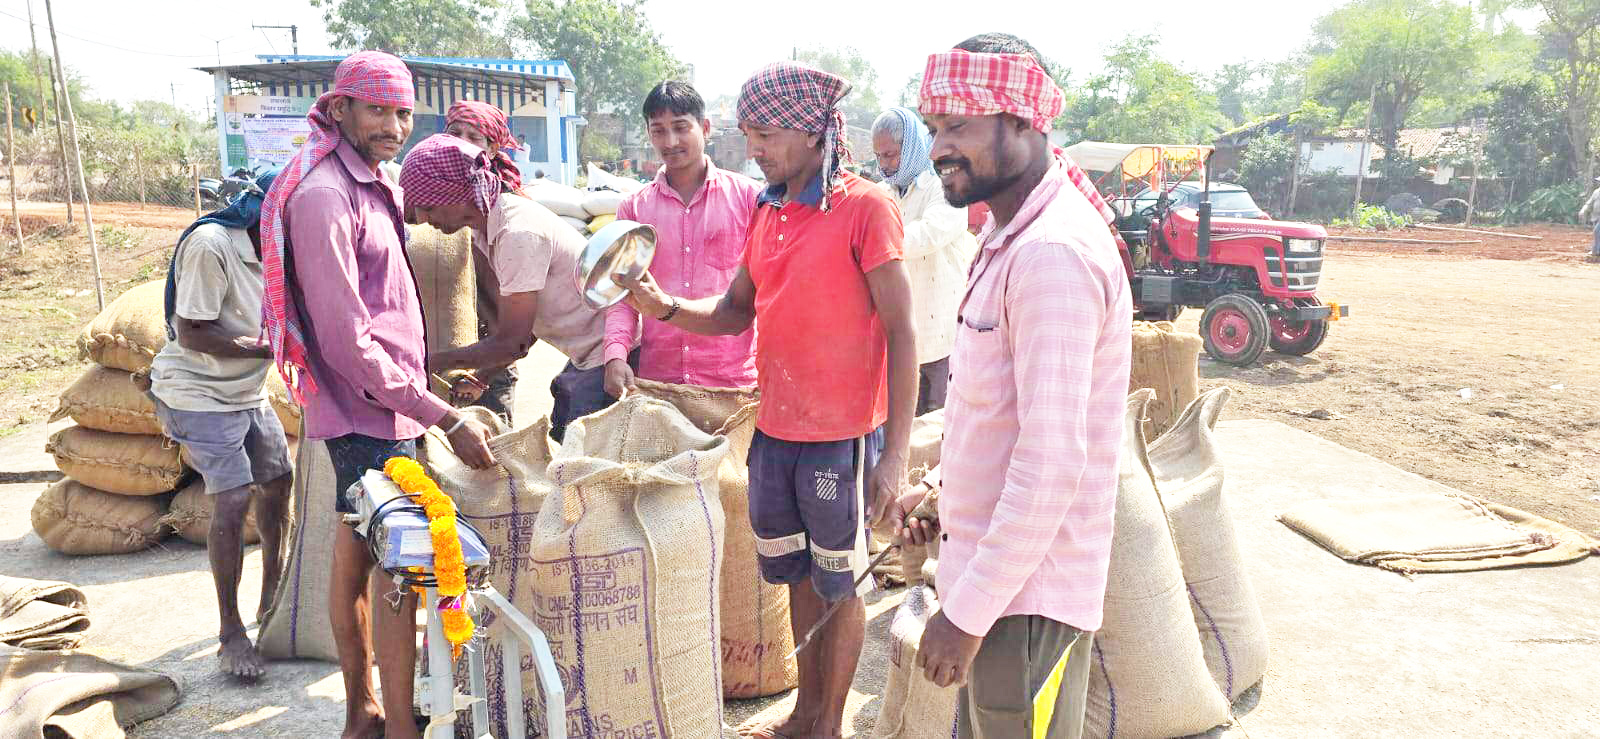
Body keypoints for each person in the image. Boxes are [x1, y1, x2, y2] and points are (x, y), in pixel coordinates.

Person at [616, 61, 917, 739]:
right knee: (798, 578)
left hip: (842, 436)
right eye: (749, 133)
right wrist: (661, 306)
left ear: (814, 132)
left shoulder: (866, 208)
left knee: (839, 586)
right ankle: (806, 716)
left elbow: (903, 332)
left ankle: (826, 726)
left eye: (769, 134)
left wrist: (894, 457)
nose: (755, 147)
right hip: (773, 428)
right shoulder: (768, 208)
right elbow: (732, 313)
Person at [894, 33, 1132, 739]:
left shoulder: (1051, 255)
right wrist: (942, 496)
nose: (941, 147)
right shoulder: (1006, 239)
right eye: (935, 128)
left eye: (960, 125)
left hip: (1022, 602)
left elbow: (1052, 464)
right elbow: (994, 417)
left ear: (1025, 120)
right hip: (998, 587)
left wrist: (964, 616)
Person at [259, 51, 498, 739]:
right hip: (369, 414)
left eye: (402, 111)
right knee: (400, 569)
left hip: (385, 404)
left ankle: (363, 710)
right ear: (340, 111)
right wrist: (442, 414)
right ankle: (396, 724)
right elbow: (347, 344)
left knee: (356, 552)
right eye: (377, 110)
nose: (394, 125)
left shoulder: (372, 182)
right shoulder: (326, 197)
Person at [148, 168, 290, 682]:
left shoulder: (282, 251)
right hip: (197, 390)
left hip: (246, 391)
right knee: (232, 497)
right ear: (270, 212)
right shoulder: (213, 245)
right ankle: (231, 633)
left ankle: (272, 596)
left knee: (279, 484)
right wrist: (270, 348)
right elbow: (191, 333)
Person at [400, 133, 610, 442]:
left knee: (578, 457)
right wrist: (482, 378)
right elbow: (525, 332)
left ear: (454, 194)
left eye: (429, 208)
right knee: (565, 431)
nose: (424, 220)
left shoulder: (516, 232)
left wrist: (431, 362)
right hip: (588, 355)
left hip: (610, 355)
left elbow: (512, 342)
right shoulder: (487, 230)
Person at [602, 80, 762, 397]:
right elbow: (623, 295)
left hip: (733, 385)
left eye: (680, 127)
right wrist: (615, 354)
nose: (671, 141)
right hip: (659, 383)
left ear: (705, 127)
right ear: (649, 134)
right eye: (659, 130)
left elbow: (766, 294)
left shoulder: (749, 198)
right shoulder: (634, 207)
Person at [871, 106, 976, 415]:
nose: (885, 165)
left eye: (890, 155)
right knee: (901, 422)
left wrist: (874, 243)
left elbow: (929, 234)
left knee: (939, 424)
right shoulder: (880, 193)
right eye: (879, 157)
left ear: (913, 146)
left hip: (940, 329)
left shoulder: (946, 187)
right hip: (898, 331)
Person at [442, 100, 524, 423]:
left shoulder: (506, 205)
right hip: (443, 352)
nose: (461, 142)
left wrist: (483, 376)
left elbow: (520, 322)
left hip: (490, 362)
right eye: (454, 132)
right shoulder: (430, 198)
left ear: (492, 148)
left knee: (494, 459)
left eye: (473, 137)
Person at [1580, 175, 1600, 262]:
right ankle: (1596, 251)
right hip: (1596, 217)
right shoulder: (1596, 192)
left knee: (1596, 231)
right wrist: (1583, 210)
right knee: (1597, 235)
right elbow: (1589, 203)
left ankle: (1596, 251)